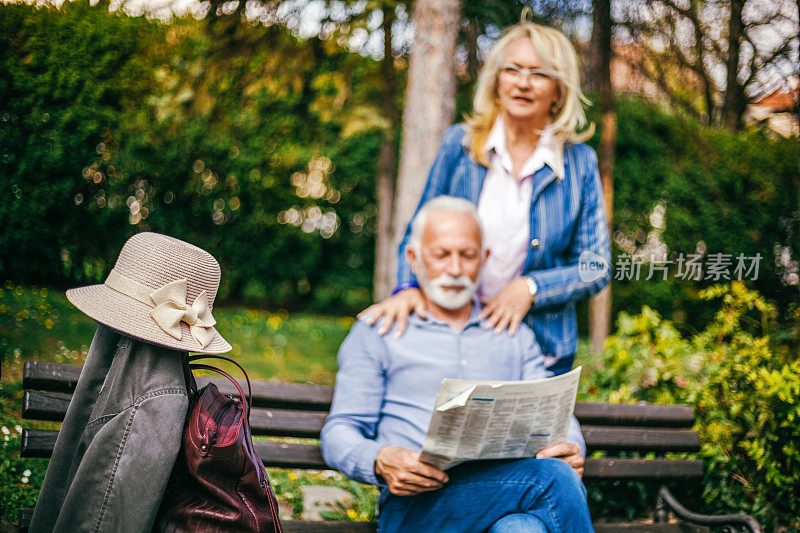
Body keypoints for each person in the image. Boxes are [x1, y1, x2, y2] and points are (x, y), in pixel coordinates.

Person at [322, 197, 593, 533]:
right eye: (441, 254)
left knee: (522, 529)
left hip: (507, 491)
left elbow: (557, 414)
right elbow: (339, 431)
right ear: (414, 259)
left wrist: (571, 446)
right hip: (417, 505)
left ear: (484, 259)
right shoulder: (379, 331)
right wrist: (379, 459)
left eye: (467, 256)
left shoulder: (513, 334)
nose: (454, 269)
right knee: (551, 480)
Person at [361, 20, 611, 376]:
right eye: (512, 69)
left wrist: (532, 288)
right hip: (453, 340)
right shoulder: (459, 146)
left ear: (559, 91)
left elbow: (595, 266)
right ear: (497, 80)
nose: (522, 82)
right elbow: (416, 232)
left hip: (540, 353)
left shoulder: (579, 163)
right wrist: (406, 288)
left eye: (538, 73)